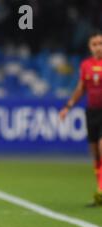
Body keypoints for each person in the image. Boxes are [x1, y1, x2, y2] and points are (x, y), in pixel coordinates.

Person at [59, 31, 102, 206]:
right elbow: (81, 88)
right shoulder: (86, 65)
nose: (98, 47)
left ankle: (101, 190)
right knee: (95, 154)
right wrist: (68, 107)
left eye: (100, 43)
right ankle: (100, 191)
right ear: (89, 47)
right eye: (94, 44)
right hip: (91, 112)